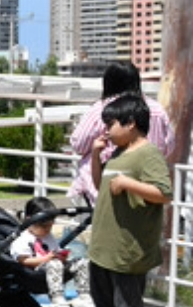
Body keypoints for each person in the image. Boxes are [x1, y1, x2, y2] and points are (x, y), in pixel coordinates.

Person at [88, 94, 172, 307]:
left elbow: (163, 192)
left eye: (110, 123)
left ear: (131, 122)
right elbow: (101, 188)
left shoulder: (148, 154)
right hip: (103, 249)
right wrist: (97, 158)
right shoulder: (118, 152)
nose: (106, 130)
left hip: (127, 252)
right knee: (106, 305)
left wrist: (129, 184)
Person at [68, 61, 173, 205]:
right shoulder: (157, 110)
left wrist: (98, 149)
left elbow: (78, 144)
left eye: (110, 125)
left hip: (105, 187)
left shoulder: (101, 109)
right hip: (147, 185)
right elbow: (168, 147)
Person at [9, 196, 91, 307]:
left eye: (50, 227)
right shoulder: (22, 239)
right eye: (44, 227)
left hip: (53, 270)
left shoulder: (48, 236)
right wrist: (46, 259)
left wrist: (62, 256)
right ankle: (57, 301)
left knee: (82, 262)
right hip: (34, 274)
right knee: (54, 264)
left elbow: (55, 251)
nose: (47, 230)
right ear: (29, 221)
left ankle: (84, 296)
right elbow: (23, 261)